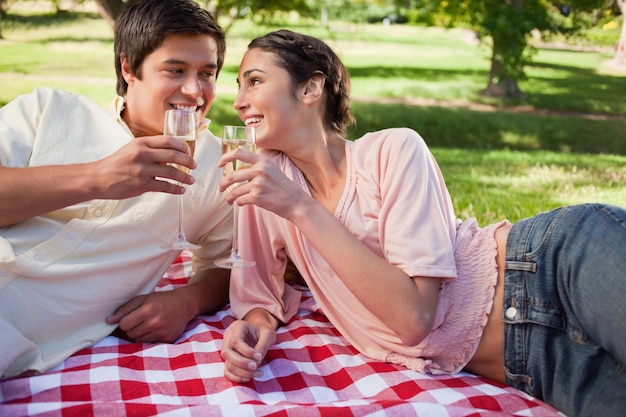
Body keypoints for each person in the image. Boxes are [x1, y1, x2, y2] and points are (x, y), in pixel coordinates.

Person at [218, 30, 626, 417]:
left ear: (310, 89)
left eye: (253, 81)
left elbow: (413, 318)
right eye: (237, 85)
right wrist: (253, 331)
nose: (238, 100)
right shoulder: (264, 183)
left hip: (553, 269)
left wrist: (300, 208)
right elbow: (258, 294)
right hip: (536, 363)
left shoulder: (392, 151)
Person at [0, 0, 232, 379]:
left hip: (19, 335)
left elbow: (227, 262)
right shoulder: (49, 111)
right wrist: (95, 178)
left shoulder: (218, 168)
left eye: (207, 73)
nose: (194, 90)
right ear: (129, 68)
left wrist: (188, 300)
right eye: (175, 70)